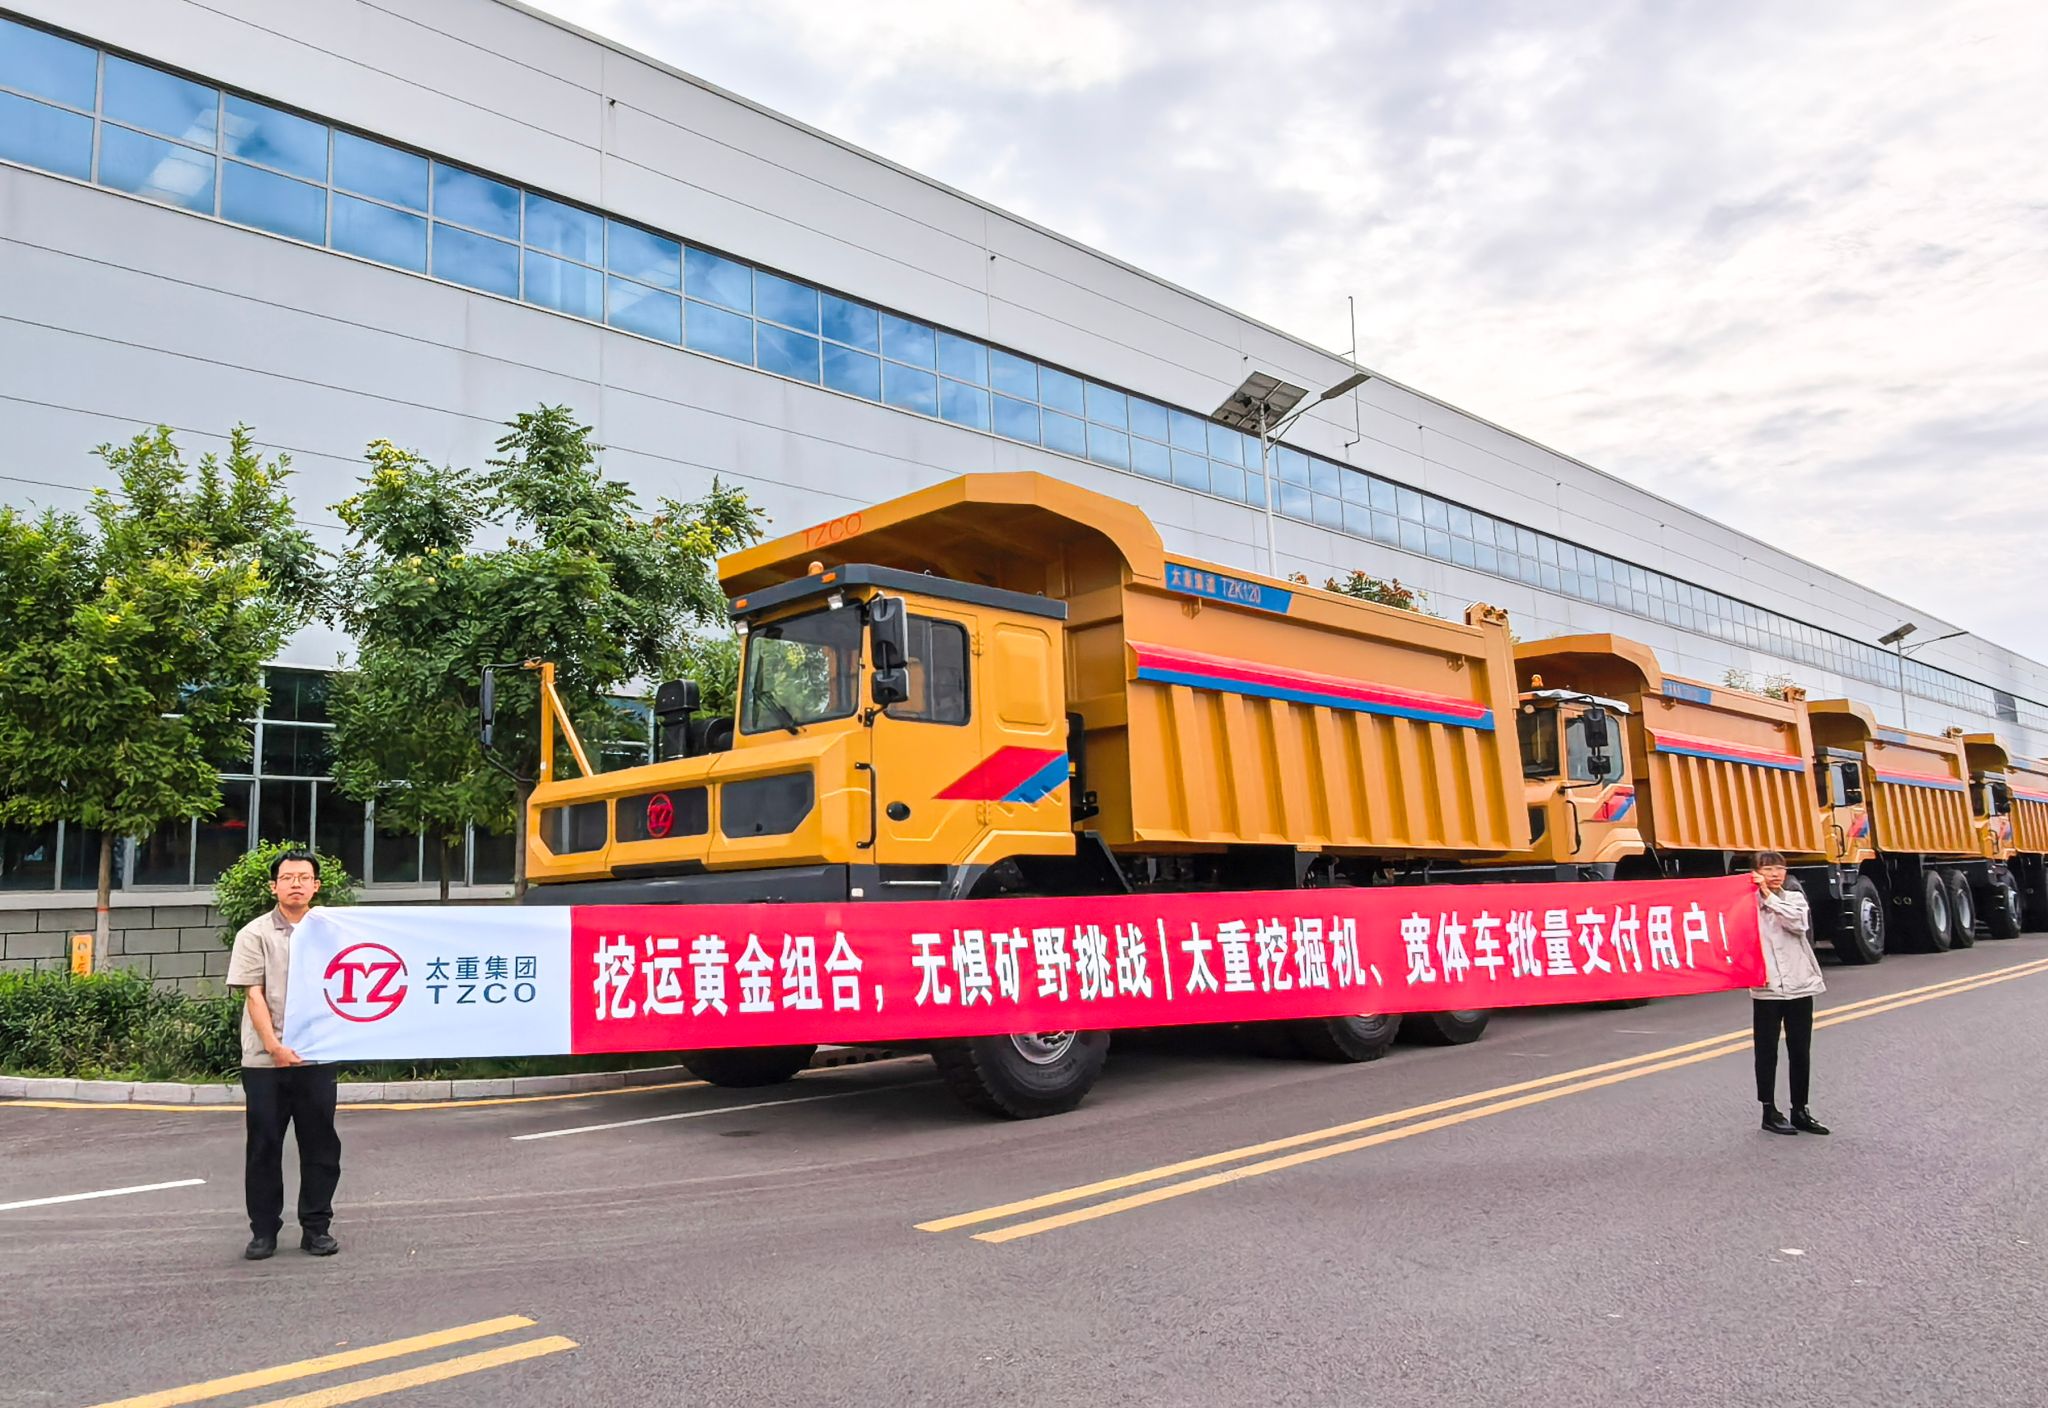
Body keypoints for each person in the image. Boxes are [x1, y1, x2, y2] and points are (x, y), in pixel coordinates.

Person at [227, 849, 341, 1259]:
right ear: (273, 886)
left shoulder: (332, 932)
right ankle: (263, 1232)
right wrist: (274, 1047)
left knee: (321, 1146)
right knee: (264, 1147)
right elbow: (253, 994)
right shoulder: (254, 934)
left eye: (304, 877)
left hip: (317, 1058)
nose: (296, 884)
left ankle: (316, 1228)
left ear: (316, 886)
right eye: (288, 877)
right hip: (265, 1062)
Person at [1749, 851, 1829, 1137]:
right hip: (1767, 988)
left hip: (1799, 984)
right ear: (1755, 873)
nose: (1775, 874)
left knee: (1800, 1050)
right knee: (1766, 1052)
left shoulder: (1793, 898)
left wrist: (1769, 897)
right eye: (1768, 869)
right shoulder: (1747, 905)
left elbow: (1798, 923)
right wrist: (1757, 895)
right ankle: (1768, 1110)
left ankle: (1800, 1110)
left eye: (1780, 868)